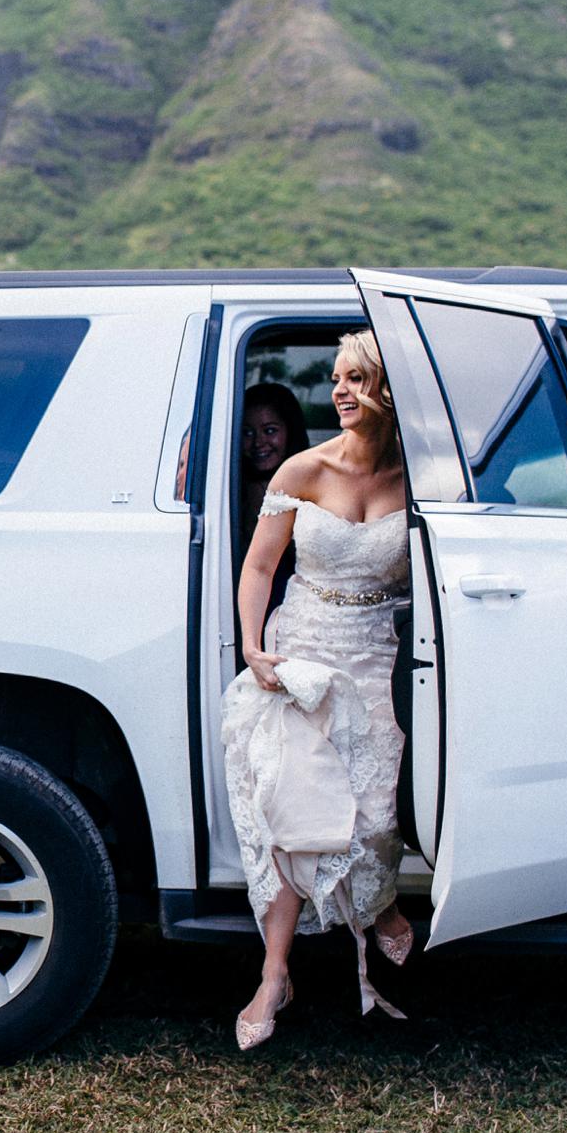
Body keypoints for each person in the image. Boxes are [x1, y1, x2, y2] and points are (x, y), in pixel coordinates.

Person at [219, 331, 416, 1050]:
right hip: (302, 649)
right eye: (335, 378)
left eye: (355, 378)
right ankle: (275, 971)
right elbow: (258, 567)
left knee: (375, 813)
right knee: (293, 805)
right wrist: (253, 645)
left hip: (375, 654)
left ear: (387, 391)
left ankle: (383, 903)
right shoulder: (302, 471)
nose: (339, 390)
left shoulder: (419, 480)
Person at [236, 381, 311, 522]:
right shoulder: (231, 488)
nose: (258, 442)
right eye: (247, 432)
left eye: (270, 430)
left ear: (291, 431)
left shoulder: (315, 483)